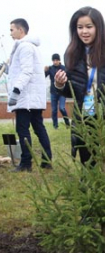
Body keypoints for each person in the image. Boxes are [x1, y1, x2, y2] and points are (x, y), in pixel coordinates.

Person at [54, 6, 105, 164]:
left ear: (98, 27)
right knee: (88, 163)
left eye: (88, 27)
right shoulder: (72, 53)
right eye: (80, 27)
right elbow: (72, 91)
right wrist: (60, 85)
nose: (84, 31)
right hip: (84, 117)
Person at [7, 18, 52, 172]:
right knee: (39, 128)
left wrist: (16, 91)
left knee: (23, 129)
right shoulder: (29, 47)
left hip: (26, 97)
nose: (10, 33)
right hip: (32, 96)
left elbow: (27, 71)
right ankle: (47, 161)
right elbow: (19, 70)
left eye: (12, 30)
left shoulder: (25, 47)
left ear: (21, 30)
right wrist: (7, 69)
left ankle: (26, 163)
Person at [45, 53, 70, 129]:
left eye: (56, 60)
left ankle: (67, 124)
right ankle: (55, 126)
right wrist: (45, 71)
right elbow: (44, 76)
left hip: (62, 92)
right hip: (53, 92)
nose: (55, 62)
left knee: (62, 108)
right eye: (53, 60)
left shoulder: (64, 68)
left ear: (59, 60)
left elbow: (68, 78)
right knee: (54, 110)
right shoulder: (50, 68)